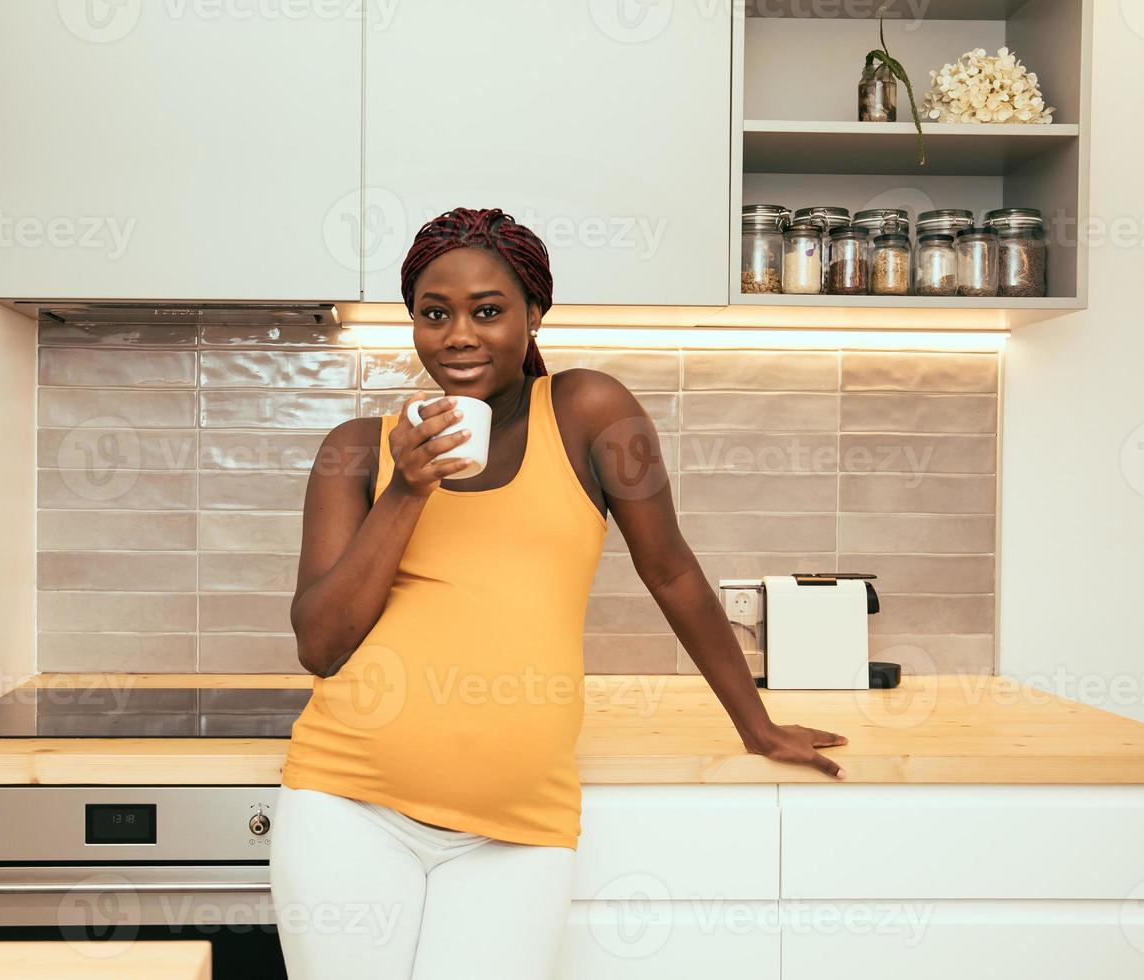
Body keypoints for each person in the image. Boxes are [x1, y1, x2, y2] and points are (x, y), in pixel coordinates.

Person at [269, 207, 847, 979]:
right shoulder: (354, 452)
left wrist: (757, 724)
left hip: (518, 829)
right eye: (434, 314)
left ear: (534, 314)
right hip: (347, 806)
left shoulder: (591, 413)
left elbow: (671, 570)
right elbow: (321, 644)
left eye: (488, 311)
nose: (460, 336)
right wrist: (408, 491)